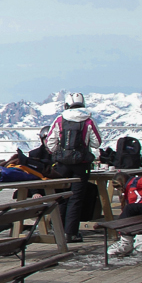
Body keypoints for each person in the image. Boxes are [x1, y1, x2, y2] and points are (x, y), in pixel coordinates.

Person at [43, 92, 102, 242]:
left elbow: (50, 142)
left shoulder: (60, 119)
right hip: (81, 164)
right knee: (76, 199)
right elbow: (97, 142)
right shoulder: (88, 120)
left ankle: (58, 231)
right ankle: (71, 233)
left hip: (62, 164)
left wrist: (58, 153)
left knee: (61, 197)